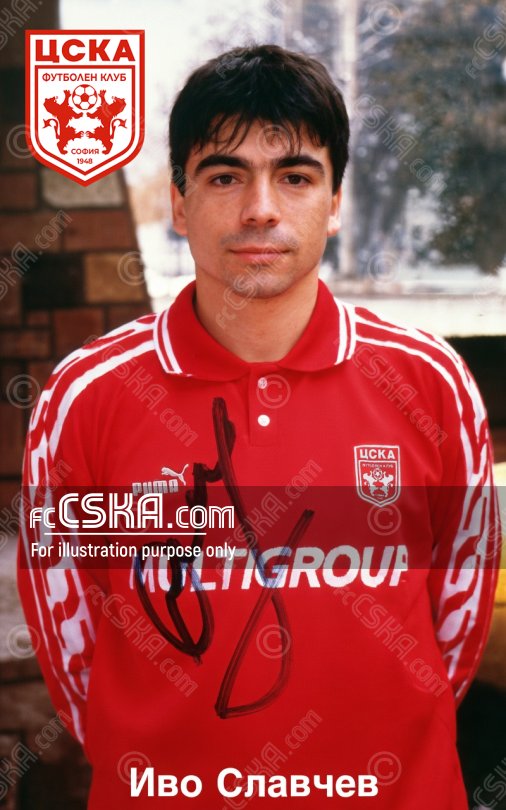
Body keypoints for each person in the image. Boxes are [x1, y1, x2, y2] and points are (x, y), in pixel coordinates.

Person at [18, 45, 500, 809]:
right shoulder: (88, 396)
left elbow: (459, 624)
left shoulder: (428, 382)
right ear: (179, 204)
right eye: (225, 176)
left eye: (295, 176)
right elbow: (69, 634)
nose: (261, 209)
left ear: (334, 202)